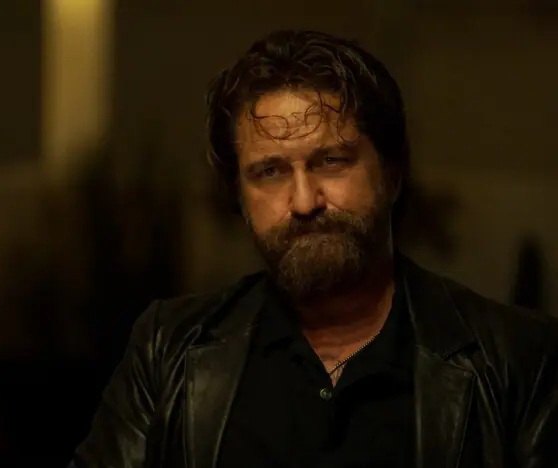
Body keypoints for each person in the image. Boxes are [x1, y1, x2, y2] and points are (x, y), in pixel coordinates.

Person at [68, 30, 558, 467]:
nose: (304, 202)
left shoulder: (520, 360)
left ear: (392, 173)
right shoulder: (169, 351)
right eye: (270, 171)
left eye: (331, 161)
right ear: (238, 197)